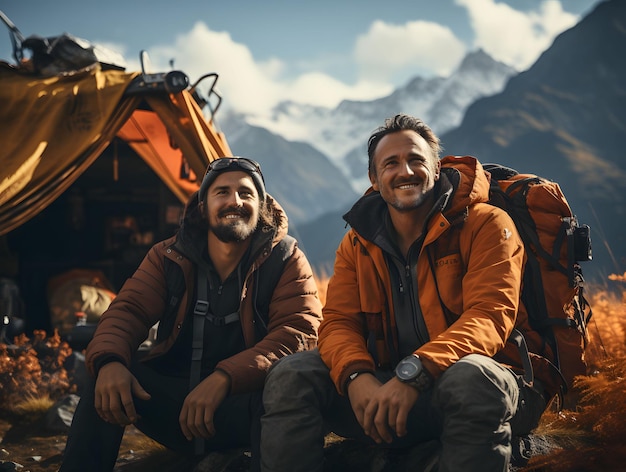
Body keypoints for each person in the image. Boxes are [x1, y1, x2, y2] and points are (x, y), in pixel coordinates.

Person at [260, 115, 549, 471]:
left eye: (416, 159)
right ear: (374, 178)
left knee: (472, 376)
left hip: (491, 390)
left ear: (436, 167)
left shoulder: (485, 224)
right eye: (391, 163)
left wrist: (416, 373)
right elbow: (338, 322)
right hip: (390, 395)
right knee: (293, 372)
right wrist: (356, 376)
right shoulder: (357, 243)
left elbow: (489, 317)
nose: (405, 171)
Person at [59, 157, 323, 472]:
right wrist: (110, 363)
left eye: (246, 193)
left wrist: (225, 378)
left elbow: (298, 334)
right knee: (105, 367)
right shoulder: (167, 256)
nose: (234, 201)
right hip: (177, 409)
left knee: (287, 391)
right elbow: (128, 310)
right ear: (202, 205)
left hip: (248, 409)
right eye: (222, 192)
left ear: (262, 205)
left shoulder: (286, 258)